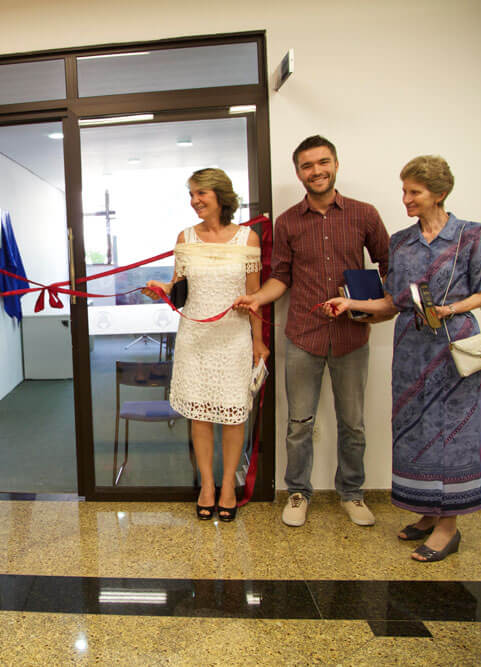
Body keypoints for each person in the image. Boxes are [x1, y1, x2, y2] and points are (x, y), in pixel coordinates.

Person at [324, 155, 481, 562]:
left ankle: (448, 527)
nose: (406, 199)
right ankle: (427, 512)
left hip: (454, 347)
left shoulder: (469, 235)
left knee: (453, 433)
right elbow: (393, 302)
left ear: (440, 193)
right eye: (404, 191)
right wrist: (350, 304)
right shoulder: (401, 242)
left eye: (414, 192)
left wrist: (449, 309)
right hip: (412, 350)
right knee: (415, 429)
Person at [233, 135, 390, 528]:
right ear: (298, 172)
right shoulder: (288, 221)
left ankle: (351, 493)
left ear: (335, 164)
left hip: (352, 337)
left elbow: (390, 265)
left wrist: (380, 307)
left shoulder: (364, 214)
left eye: (323, 162)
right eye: (307, 166)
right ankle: (298, 492)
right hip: (303, 336)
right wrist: (257, 299)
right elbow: (280, 278)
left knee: (352, 423)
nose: (316, 171)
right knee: (299, 423)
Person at [144, 169, 266, 522]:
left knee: (232, 414)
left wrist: (258, 342)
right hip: (195, 339)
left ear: (220, 196)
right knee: (199, 415)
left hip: (233, 338)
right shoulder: (185, 237)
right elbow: (179, 289)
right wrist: (162, 291)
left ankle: (228, 486)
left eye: (201, 193)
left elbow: (255, 295)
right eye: (192, 194)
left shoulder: (247, 238)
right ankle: (207, 486)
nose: (195, 201)